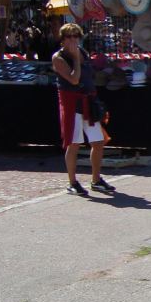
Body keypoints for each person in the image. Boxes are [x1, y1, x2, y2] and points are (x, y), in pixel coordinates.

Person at [52, 23, 113, 196]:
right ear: (63, 40)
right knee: (74, 143)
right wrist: (76, 59)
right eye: (69, 37)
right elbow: (74, 79)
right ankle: (72, 182)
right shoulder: (59, 57)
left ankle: (96, 179)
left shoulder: (83, 52)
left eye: (75, 36)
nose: (73, 40)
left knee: (98, 141)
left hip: (88, 102)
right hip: (72, 104)